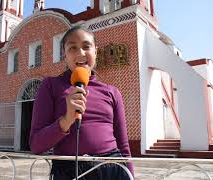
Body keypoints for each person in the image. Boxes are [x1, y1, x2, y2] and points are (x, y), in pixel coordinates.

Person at [29, 25, 134, 179]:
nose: (80, 53)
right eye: (72, 48)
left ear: (96, 52)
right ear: (64, 55)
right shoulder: (50, 85)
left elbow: (124, 147)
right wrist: (67, 120)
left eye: (86, 46)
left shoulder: (112, 92)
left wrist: (131, 175)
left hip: (113, 169)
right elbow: (36, 145)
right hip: (69, 170)